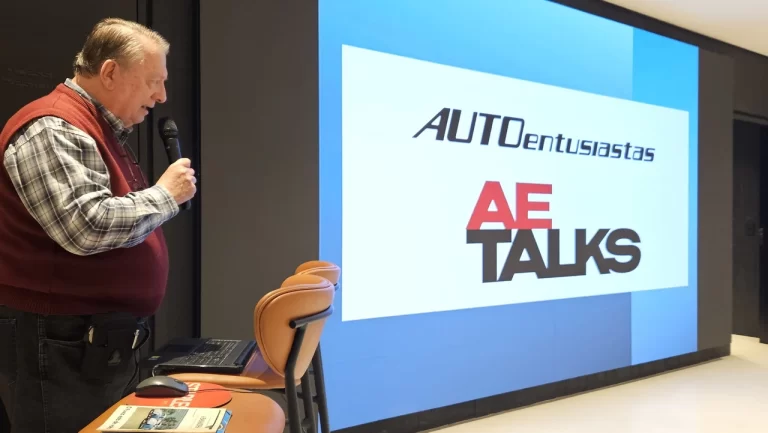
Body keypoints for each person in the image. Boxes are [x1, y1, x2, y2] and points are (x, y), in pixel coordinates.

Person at [0, 18, 196, 433]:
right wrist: (166, 195)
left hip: (87, 340)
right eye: (153, 82)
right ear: (110, 72)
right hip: (58, 341)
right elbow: (86, 226)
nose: (161, 96)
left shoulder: (95, 128)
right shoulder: (53, 127)